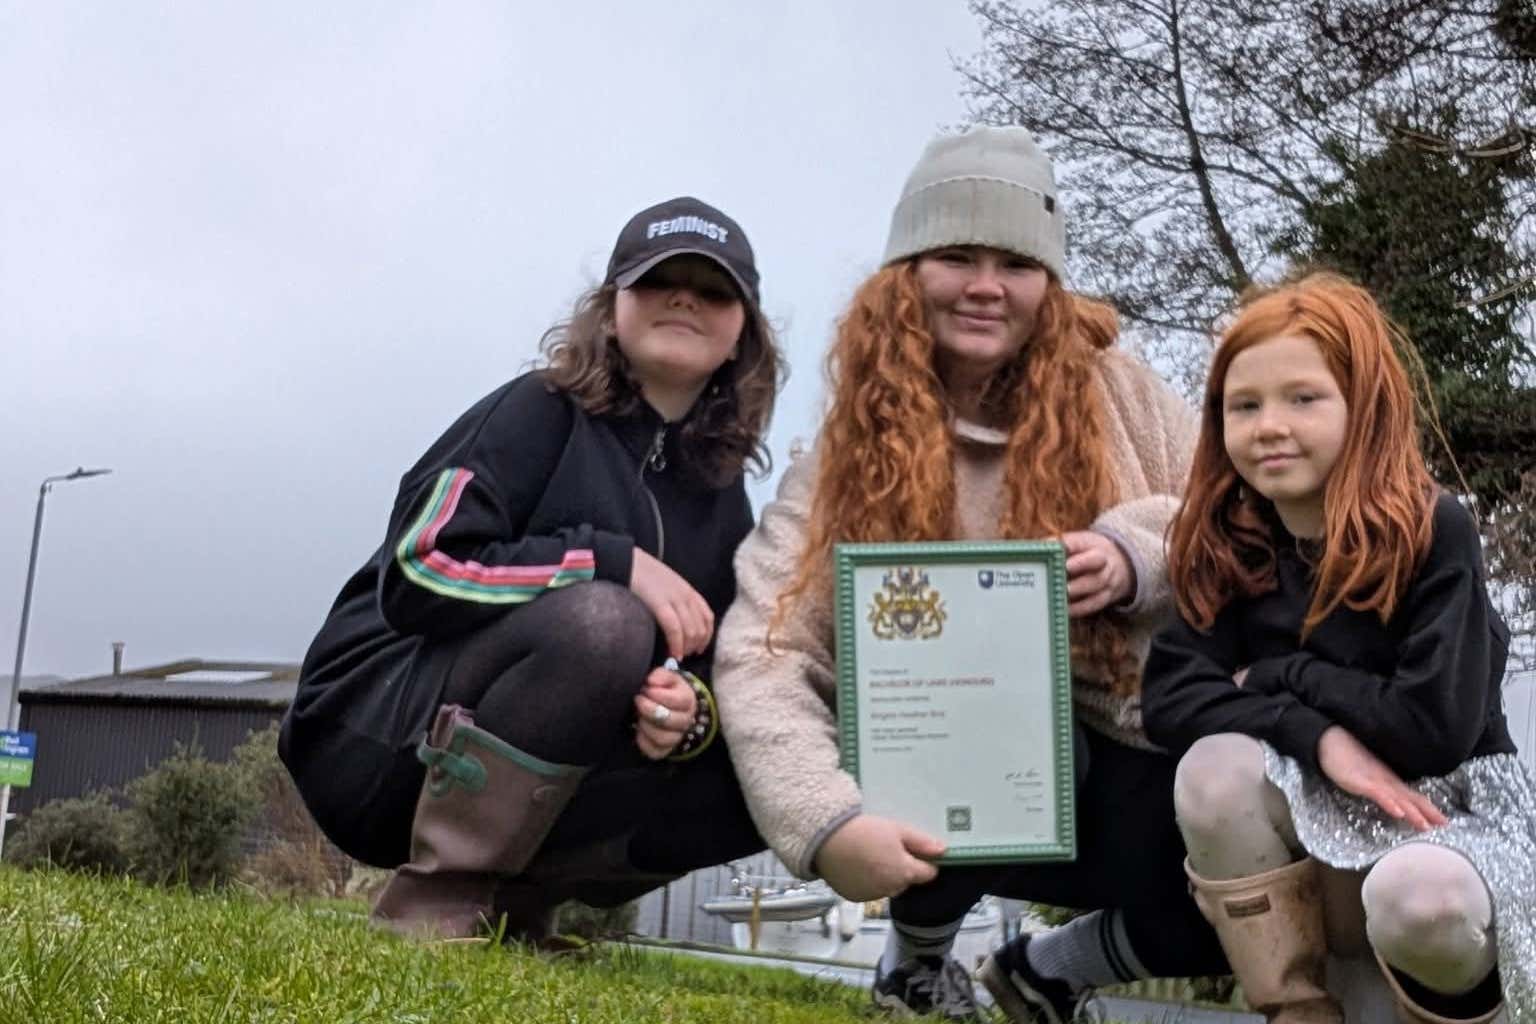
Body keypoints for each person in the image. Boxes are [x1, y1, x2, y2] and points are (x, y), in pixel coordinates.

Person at [713, 125, 1226, 1022]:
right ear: (906, 276)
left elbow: (1235, 524)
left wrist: (1138, 551)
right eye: (955, 255)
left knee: (1247, 858)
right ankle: (915, 963)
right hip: (966, 788)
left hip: (1149, 753)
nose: (987, 287)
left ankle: (1051, 967)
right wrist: (827, 824)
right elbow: (766, 646)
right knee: (964, 719)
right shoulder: (844, 458)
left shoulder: (1127, 396)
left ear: (1048, 285)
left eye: (1015, 262)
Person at [279, 196, 780, 942]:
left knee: (781, 756)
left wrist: (691, 714)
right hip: (372, 737)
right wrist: (611, 561)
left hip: (552, 761)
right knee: (604, 619)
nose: (683, 298)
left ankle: (519, 906)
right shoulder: (534, 412)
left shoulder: (721, 493)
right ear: (612, 310)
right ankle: (437, 902)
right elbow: (420, 570)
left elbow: (716, 658)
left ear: (743, 331)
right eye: (657, 280)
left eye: (712, 290)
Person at [1141, 272, 1534, 1023]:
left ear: (1363, 407)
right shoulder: (1232, 542)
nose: (1269, 425)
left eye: (1304, 398)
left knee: (1418, 898)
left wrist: (1284, 674)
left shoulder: (1434, 531)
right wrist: (1317, 738)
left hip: (1445, 822)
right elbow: (1169, 699)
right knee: (1212, 769)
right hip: (1311, 825)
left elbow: (1432, 732)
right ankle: (1295, 1009)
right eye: (1243, 405)